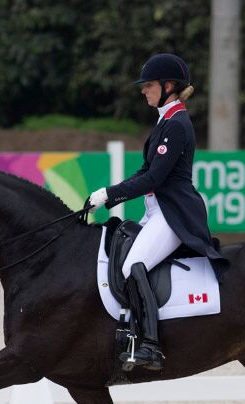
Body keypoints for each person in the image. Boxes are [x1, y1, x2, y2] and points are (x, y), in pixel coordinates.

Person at [88, 53, 230, 371]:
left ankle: (151, 346)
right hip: (157, 210)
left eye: (149, 85)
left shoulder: (176, 124)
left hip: (174, 213)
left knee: (134, 265)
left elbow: (154, 179)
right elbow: (145, 171)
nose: (144, 90)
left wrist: (110, 194)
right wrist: (107, 196)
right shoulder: (165, 121)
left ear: (169, 86)